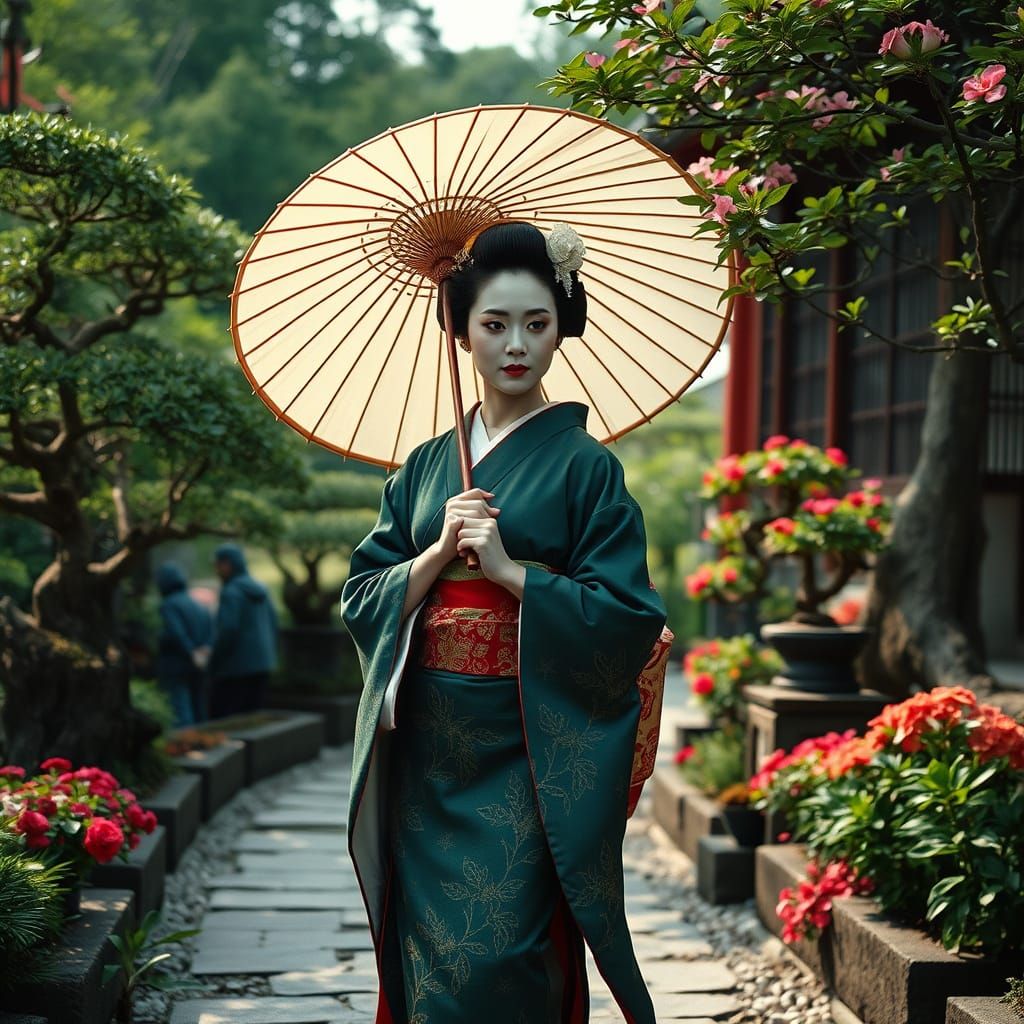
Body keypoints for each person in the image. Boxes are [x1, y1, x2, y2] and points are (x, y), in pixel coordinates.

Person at [341, 222, 666, 1024]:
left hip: (529, 746)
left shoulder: (588, 469)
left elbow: (628, 615)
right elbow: (361, 595)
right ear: (460, 330)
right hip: (428, 751)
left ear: (562, 327)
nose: (515, 345)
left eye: (536, 323)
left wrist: (513, 575)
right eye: (493, 324)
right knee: (429, 949)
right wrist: (433, 556)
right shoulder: (423, 468)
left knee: (507, 952)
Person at [209, 543, 279, 718]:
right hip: (263, 663)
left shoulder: (231, 592)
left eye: (217, 565)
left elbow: (228, 629)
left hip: (237, 667)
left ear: (227, 564)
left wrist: (214, 660)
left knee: (229, 717)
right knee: (253, 718)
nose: (216, 570)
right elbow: (273, 623)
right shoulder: (260, 589)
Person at [155, 562, 214, 727]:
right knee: (199, 707)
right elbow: (211, 629)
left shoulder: (169, 604)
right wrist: (205, 651)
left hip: (177, 664)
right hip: (200, 663)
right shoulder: (197, 603)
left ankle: (187, 746)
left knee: (181, 709)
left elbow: (176, 632)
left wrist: (191, 652)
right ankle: (206, 742)